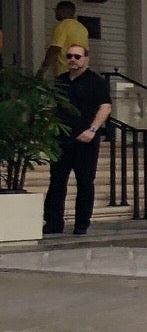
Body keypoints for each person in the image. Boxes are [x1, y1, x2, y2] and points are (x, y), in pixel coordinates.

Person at [42, 43, 112, 238]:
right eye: (70, 56)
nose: (73, 59)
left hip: (85, 140)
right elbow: (52, 106)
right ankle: (53, 222)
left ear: (86, 59)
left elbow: (105, 107)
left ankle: (81, 223)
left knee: (85, 181)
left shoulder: (96, 82)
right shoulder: (61, 81)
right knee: (57, 181)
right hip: (61, 138)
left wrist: (92, 130)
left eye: (77, 56)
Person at [39, 0, 89, 78]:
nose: (55, 13)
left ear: (62, 11)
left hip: (64, 72)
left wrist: (42, 70)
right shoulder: (82, 28)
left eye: (56, 10)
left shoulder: (62, 26)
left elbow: (55, 48)